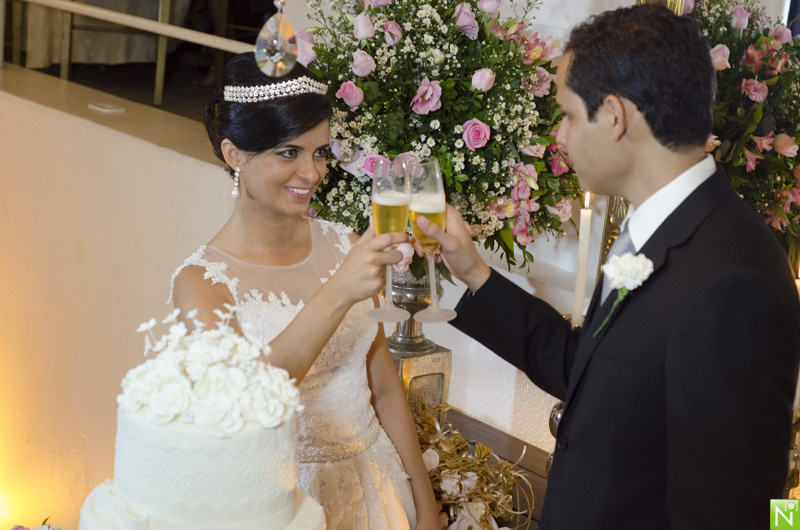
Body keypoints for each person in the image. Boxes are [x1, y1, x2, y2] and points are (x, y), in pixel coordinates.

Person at [414, 5, 800, 529]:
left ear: (615, 117)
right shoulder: (663, 229)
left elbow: (732, 513)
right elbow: (589, 371)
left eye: (569, 114)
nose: (561, 134)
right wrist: (474, 272)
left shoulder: (734, 284)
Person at [169, 52, 439, 530]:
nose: (312, 173)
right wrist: (337, 292)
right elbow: (248, 402)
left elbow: (382, 386)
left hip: (379, 486)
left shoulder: (343, 244)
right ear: (234, 155)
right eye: (288, 153)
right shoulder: (201, 285)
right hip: (281, 504)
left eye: (319, 152)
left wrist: (425, 501)